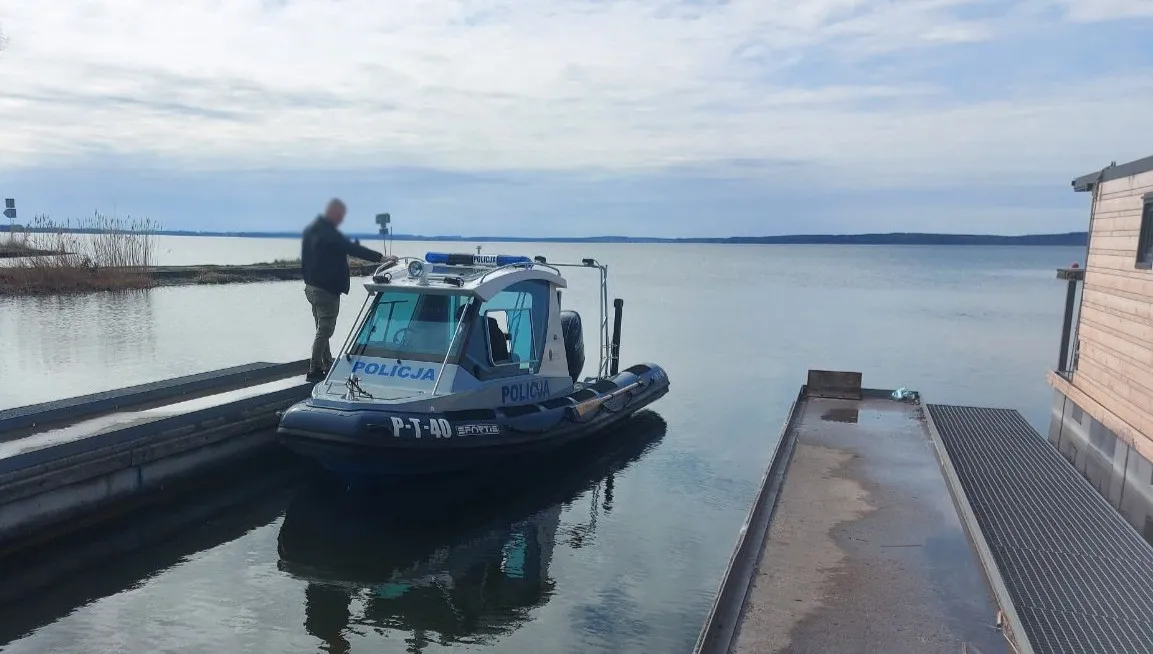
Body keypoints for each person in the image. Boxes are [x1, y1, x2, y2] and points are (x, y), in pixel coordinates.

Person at [302, 198, 395, 381]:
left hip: (311, 288)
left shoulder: (311, 231)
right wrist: (381, 258)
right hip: (326, 291)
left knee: (321, 329)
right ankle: (314, 370)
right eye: (340, 216)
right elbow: (353, 249)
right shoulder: (329, 234)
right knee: (325, 331)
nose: (341, 220)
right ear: (333, 213)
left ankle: (327, 364)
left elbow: (307, 259)